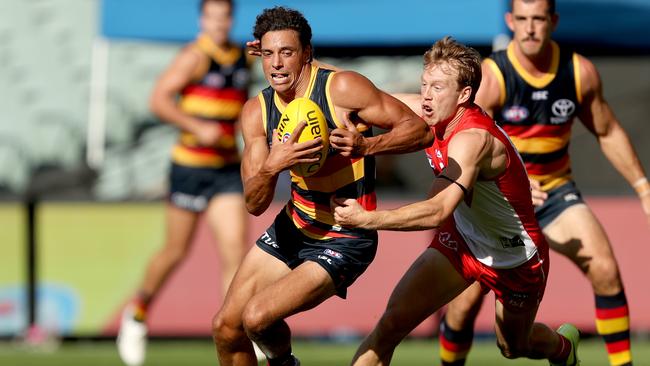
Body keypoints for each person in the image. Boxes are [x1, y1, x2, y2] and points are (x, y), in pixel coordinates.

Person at [333, 36, 580, 366]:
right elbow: (358, 93)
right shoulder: (427, 109)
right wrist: (300, 67)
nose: (426, 96)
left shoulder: (472, 139)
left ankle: (563, 349)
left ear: (464, 95)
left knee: (513, 347)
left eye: (437, 87)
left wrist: (367, 219)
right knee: (391, 325)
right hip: (462, 244)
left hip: (515, 258)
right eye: (424, 85)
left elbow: (437, 210)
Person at [210, 6, 433, 366]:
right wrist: (273, 166)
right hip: (295, 225)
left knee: (256, 317)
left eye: (287, 52)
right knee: (226, 327)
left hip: (345, 235)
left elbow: (419, 130)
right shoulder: (256, 111)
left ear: (307, 53)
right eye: (269, 54)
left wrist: (367, 145)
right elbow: (253, 202)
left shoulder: (340, 88)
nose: (277, 64)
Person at [434, 1, 650, 366]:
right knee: (463, 306)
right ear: (510, 22)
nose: (531, 28)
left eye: (538, 19)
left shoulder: (578, 72)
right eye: (522, 19)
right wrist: (513, 179)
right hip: (499, 201)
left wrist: (643, 187)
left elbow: (608, 131)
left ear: (553, 21)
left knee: (605, 269)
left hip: (555, 193)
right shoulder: (494, 76)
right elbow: (464, 137)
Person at [116, 1, 257, 365]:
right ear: (202, 19)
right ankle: (138, 314)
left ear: (231, 18)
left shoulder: (242, 56)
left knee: (234, 252)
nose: (219, 22)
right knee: (175, 251)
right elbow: (158, 99)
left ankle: (236, 328)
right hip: (191, 168)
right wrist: (197, 127)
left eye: (224, 15)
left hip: (226, 168)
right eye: (212, 16)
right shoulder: (194, 57)